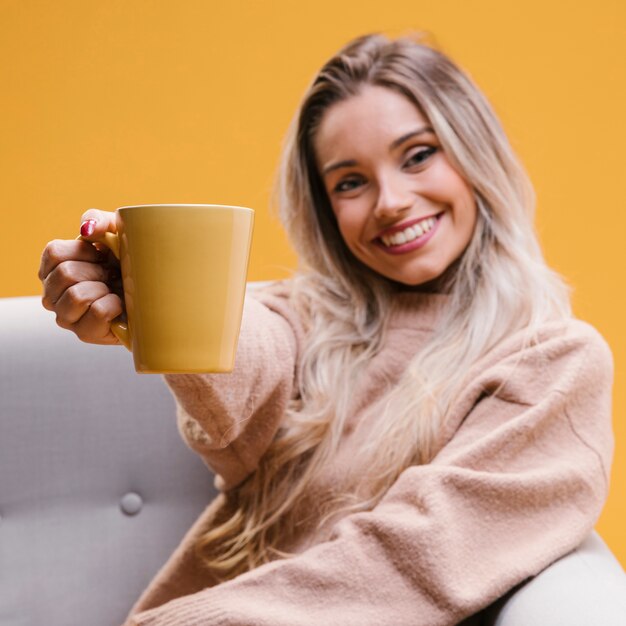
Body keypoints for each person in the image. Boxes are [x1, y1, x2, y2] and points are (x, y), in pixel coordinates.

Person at [39, 33, 616, 625]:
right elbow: (252, 350)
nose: (390, 202)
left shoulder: (554, 364)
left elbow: (410, 562)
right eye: (350, 182)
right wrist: (153, 292)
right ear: (326, 211)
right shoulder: (308, 318)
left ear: (475, 154)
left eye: (418, 155)